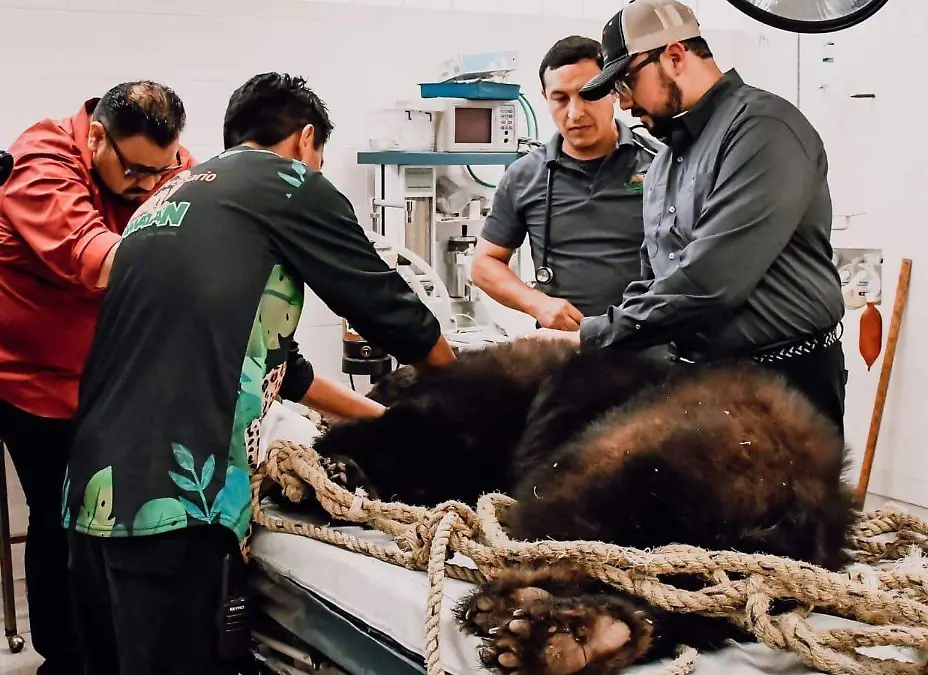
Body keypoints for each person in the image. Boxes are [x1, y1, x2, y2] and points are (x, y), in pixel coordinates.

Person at [62, 72, 456, 674]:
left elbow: (280, 368)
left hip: (95, 495)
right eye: (319, 156)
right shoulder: (291, 184)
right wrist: (465, 399)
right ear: (305, 141)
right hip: (173, 506)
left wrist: (386, 419)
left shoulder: (171, 199)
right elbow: (393, 314)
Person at [533, 0, 848, 436]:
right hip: (697, 382)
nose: (622, 104)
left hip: (786, 386)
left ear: (675, 56)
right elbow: (656, 278)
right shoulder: (663, 163)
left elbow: (709, 281)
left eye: (626, 82)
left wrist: (594, 335)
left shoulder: (764, 130)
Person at [0, 81, 194, 675]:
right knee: (61, 511)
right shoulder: (42, 164)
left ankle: (114, 647)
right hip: (30, 381)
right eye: (135, 168)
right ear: (97, 136)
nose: (147, 182)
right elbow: (101, 260)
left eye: (160, 170)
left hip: (111, 377)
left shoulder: (168, 164)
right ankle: (62, 658)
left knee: (114, 511)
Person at [471, 35, 656, 330]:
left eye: (588, 94)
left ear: (613, 91)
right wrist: (537, 303)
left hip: (648, 344)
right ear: (546, 98)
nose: (575, 113)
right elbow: (484, 264)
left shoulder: (661, 164)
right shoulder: (523, 176)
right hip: (563, 351)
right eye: (560, 98)